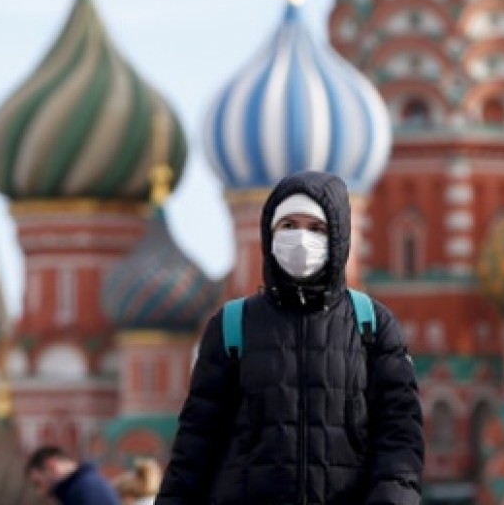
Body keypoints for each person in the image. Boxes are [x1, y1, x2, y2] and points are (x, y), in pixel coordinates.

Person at [157, 170, 424, 504]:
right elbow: (195, 446)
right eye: (289, 226)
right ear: (270, 234)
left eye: (317, 229)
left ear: (339, 237)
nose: (301, 239)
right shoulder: (233, 325)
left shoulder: (371, 326)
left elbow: (399, 438)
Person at [24, 446, 120, 505]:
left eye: (38, 483)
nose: (41, 493)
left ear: (51, 466)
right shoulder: (80, 487)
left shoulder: (88, 486)